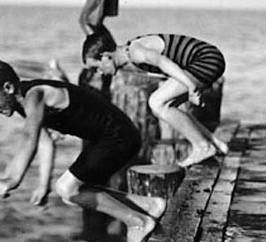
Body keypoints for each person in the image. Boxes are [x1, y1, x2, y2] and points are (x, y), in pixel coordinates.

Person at [0, 58, 165, 242]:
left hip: (119, 137)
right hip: (110, 138)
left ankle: (138, 221)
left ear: (8, 88)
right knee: (70, 192)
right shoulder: (24, 106)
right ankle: (148, 205)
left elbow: (28, 138)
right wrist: (43, 186)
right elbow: (45, 143)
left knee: (68, 189)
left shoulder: (35, 95)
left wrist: (12, 178)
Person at [83, 28, 229, 166]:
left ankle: (203, 147)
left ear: (105, 56)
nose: (100, 72)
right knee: (167, 105)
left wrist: (191, 87)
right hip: (205, 59)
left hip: (207, 59)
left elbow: (162, 62)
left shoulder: (135, 51)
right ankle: (215, 143)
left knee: (156, 102)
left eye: (96, 67)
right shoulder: (130, 56)